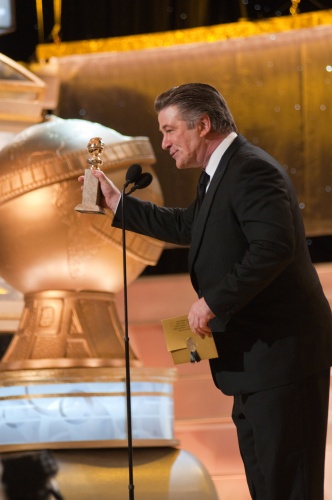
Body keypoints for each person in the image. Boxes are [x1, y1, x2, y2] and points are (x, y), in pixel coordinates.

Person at [79, 83, 332, 499]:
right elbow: (187, 227)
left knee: (290, 486)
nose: (164, 144)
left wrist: (214, 301)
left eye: (170, 131)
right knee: (268, 486)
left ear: (203, 124)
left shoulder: (251, 168)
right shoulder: (220, 173)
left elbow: (274, 247)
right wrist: (117, 204)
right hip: (255, 361)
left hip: (283, 360)